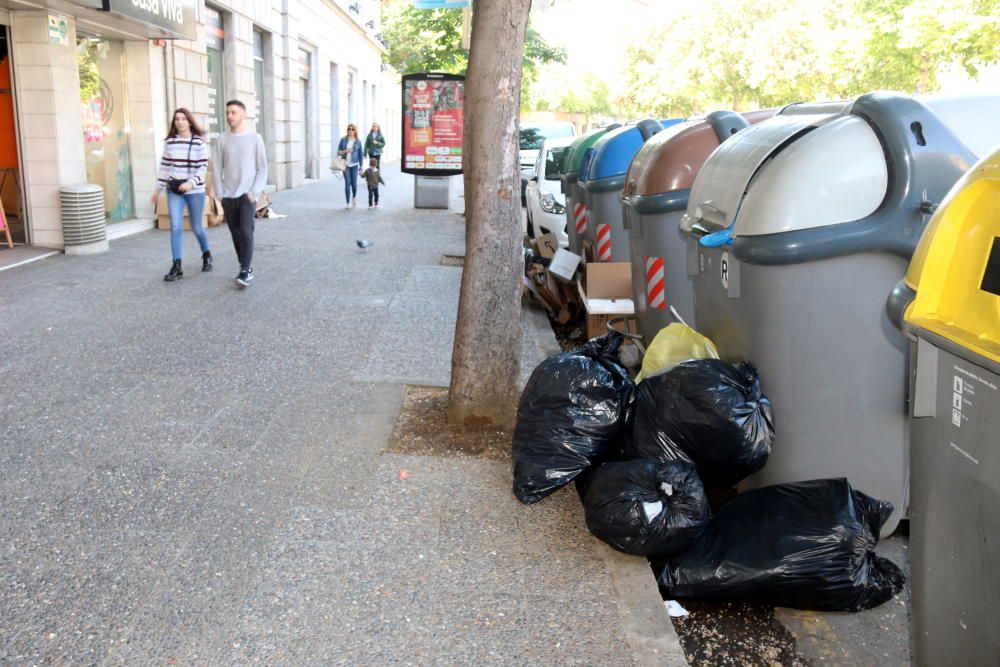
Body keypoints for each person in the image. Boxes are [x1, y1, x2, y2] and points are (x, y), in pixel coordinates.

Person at [213, 100, 267, 288]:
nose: (229, 116)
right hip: (228, 195)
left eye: (233, 112)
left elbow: (262, 168)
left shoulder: (254, 138)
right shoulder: (222, 139)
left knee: (245, 230)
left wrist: (255, 191)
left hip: (247, 195)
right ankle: (245, 266)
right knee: (235, 233)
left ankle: (245, 269)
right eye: (227, 113)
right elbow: (217, 168)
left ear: (243, 114)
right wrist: (220, 194)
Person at [153, 108, 211, 282]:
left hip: (195, 191)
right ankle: (176, 265)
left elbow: (203, 167)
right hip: (174, 190)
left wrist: (191, 183)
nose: (180, 122)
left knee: (196, 227)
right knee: (175, 227)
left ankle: (207, 254)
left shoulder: (200, 143)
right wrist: (158, 189)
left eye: (183, 119)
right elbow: (164, 168)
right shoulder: (170, 143)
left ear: (190, 121)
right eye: (177, 119)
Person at [337, 123, 363, 208]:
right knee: (347, 183)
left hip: (354, 164)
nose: (350, 131)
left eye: (352, 129)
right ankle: (347, 203)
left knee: (354, 184)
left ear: (355, 131)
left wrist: (361, 166)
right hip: (345, 164)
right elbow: (338, 152)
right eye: (349, 129)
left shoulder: (358, 141)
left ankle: (354, 196)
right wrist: (346, 151)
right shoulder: (343, 140)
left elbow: (360, 155)